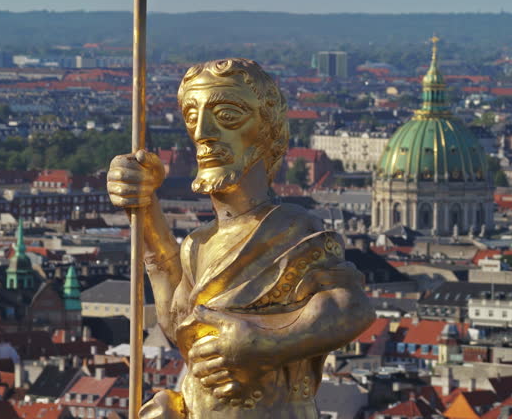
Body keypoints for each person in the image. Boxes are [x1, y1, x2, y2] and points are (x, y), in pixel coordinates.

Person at [107, 58, 374, 418]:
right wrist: (144, 208)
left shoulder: (293, 229)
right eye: (191, 116)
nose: (202, 131)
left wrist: (263, 344)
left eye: (227, 115)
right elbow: (179, 327)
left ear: (265, 129)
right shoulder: (197, 244)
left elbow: (352, 309)